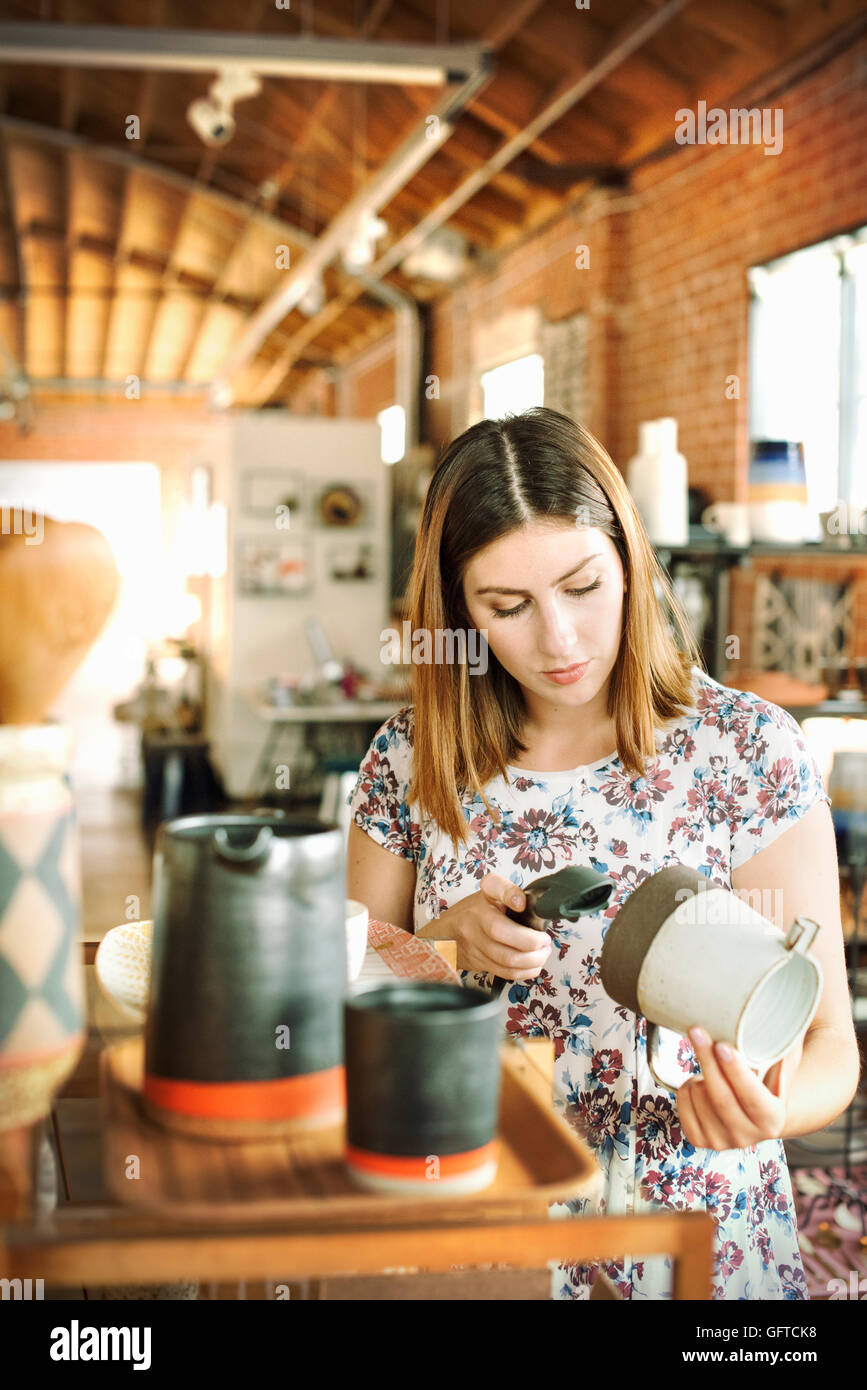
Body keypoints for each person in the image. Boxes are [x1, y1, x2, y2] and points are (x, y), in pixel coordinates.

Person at [346, 406, 859, 1300]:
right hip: (477, 1226)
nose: (559, 639)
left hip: (693, 1238)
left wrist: (770, 1111)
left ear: (629, 560)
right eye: (507, 606)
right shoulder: (410, 757)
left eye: (582, 586)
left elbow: (827, 1045)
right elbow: (339, 1013)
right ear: (457, 611)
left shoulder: (747, 749)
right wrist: (439, 945)